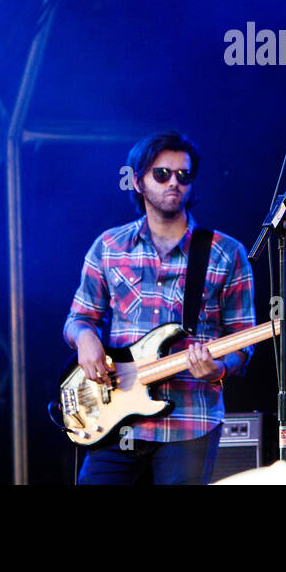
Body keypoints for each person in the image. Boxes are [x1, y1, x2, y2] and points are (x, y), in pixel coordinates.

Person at [64, 130, 255, 484]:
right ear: (138, 182)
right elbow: (79, 318)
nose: (174, 183)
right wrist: (85, 339)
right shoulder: (109, 246)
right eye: (162, 174)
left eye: (184, 176)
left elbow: (244, 340)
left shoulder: (226, 252)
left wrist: (220, 370)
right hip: (113, 420)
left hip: (189, 422)